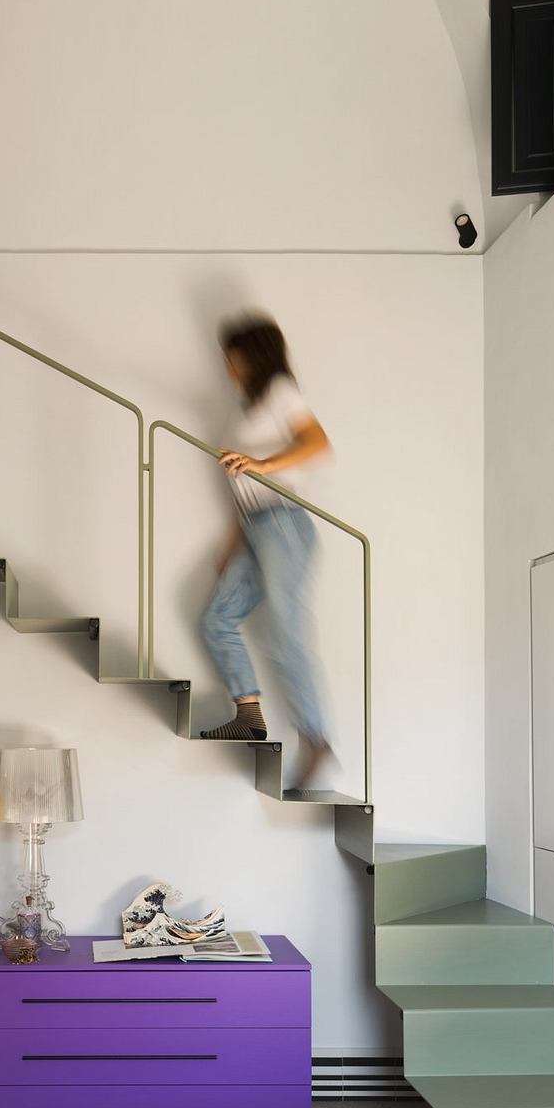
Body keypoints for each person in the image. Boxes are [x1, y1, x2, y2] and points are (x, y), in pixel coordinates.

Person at [199, 313, 333, 785]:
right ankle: (249, 715)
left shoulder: (280, 391)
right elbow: (242, 486)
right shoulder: (243, 410)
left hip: (284, 524)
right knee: (217, 618)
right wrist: (234, 540)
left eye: (229, 354)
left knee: (286, 631)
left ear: (250, 353)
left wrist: (262, 463)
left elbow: (318, 443)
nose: (225, 363)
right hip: (255, 529)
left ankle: (316, 738)